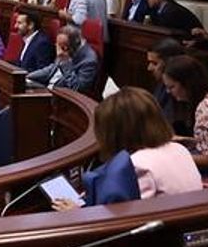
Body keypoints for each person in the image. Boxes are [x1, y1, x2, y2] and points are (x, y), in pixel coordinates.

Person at [54, 88, 200, 208]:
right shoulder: (179, 149)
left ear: (113, 132)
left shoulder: (136, 165)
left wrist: (77, 212)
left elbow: (121, 220)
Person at [26, 24, 98, 92]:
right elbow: (52, 69)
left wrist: (65, 63)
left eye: (62, 47)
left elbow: (77, 88)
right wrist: (28, 76)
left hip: (60, 96)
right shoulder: (65, 47)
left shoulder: (89, 61)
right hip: (47, 87)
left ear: (70, 47)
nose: (58, 51)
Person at [145, 38, 188, 133]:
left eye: (154, 63)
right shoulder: (162, 84)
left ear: (169, 63)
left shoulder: (179, 91)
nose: (149, 68)